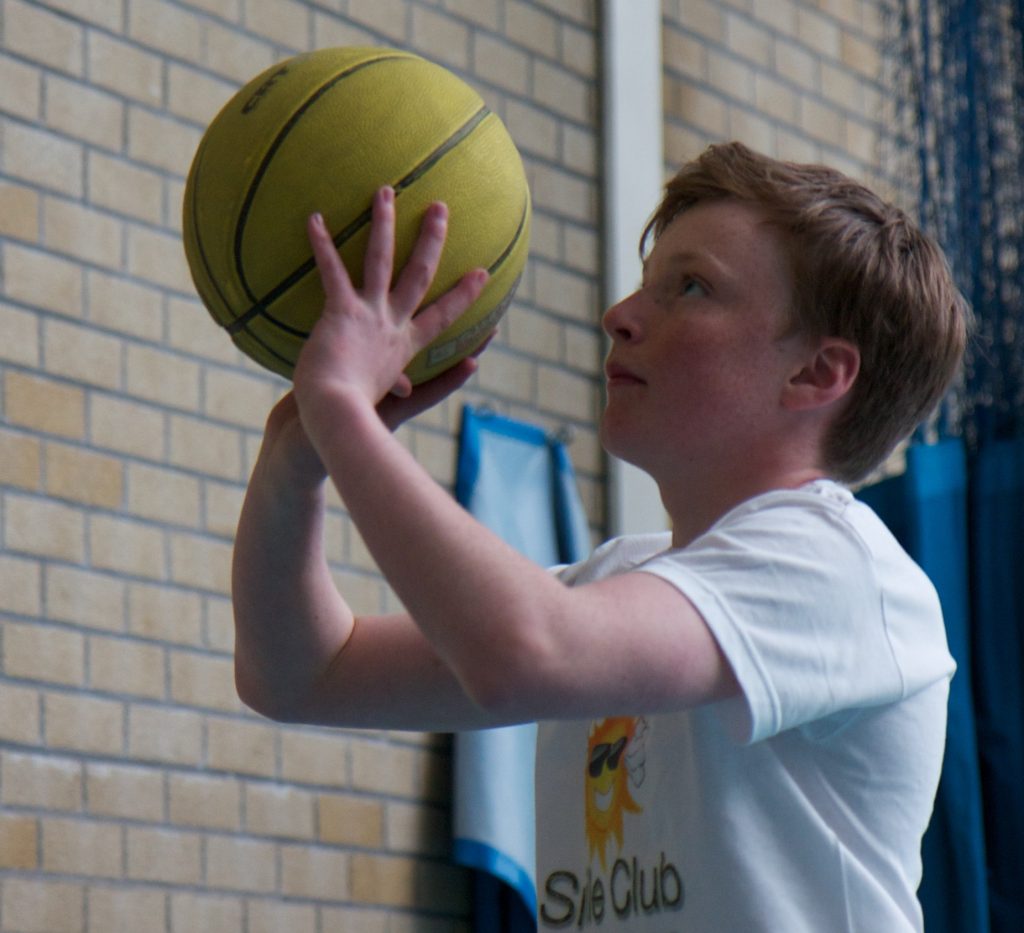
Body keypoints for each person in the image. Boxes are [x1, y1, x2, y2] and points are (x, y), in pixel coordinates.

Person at [232, 141, 970, 931]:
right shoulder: (621, 580)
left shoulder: (836, 566)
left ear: (816, 375)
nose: (619, 315)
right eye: (646, 282)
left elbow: (524, 652)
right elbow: (303, 673)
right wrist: (294, 458)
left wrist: (345, 414)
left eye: (691, 287)